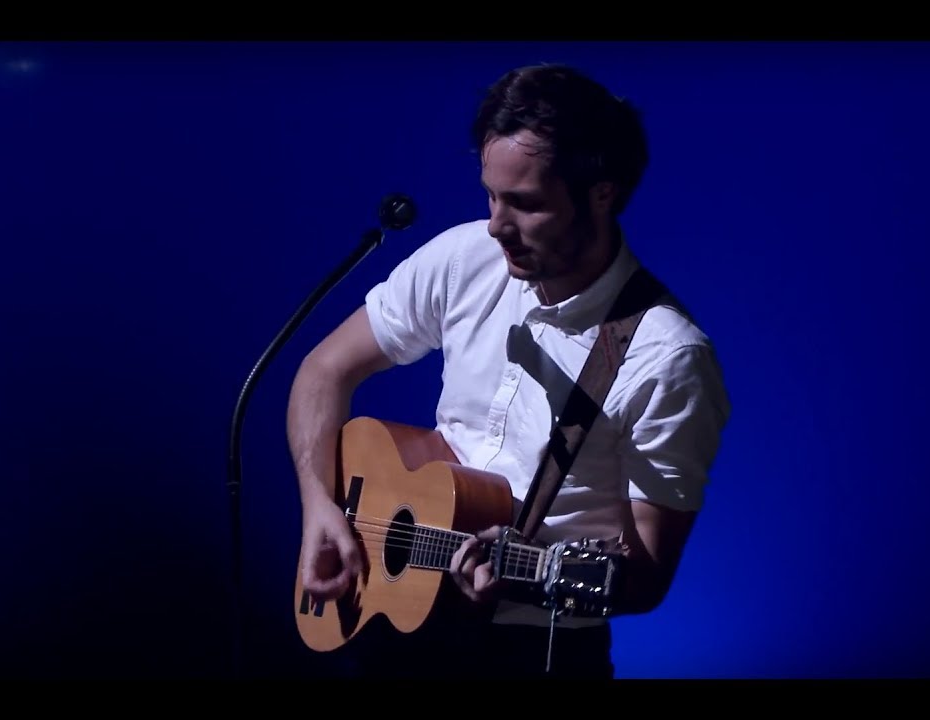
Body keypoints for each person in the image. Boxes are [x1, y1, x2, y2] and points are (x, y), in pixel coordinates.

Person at [287, 62, 731, 678]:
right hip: (397, 627)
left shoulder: (667, 360)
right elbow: (322, 371)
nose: (497, 225)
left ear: (602, 193)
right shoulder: (466, 256)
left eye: (525, 204)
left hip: (535, 653)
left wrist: (527, 580)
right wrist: (320, 509)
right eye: (491, 195)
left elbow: (647, 577)